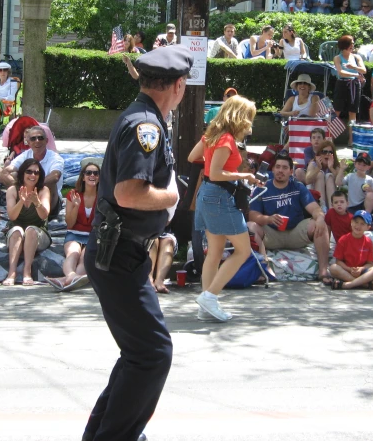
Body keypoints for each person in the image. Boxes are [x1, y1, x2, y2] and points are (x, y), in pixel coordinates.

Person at [82, 45, 190, 441]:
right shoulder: (147, 126)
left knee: (139, 354)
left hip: (122, 253)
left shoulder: (143, 118)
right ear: (178, 86)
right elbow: (129, 193)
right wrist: (171, 197)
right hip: (120, 254)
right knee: (152, 354)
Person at [189, 94, 262, 321]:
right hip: (219, 197)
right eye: (249, 117)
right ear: (240, 116)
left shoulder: (211, 135)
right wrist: (244, 174)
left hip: (209, 195)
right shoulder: (226, 139)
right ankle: (209, 297)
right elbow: (217, 172)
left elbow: (193, 157)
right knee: (243, 250)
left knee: (215, 252)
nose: (250, 122)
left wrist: (213, 163)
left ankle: (206, 306)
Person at [248, 154, 331, 284]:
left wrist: (320, 218)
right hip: (271, 234)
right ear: (273, 170)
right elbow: (252, 214)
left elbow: (315, 209)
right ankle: (263, 269)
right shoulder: (262, 187)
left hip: (295, 232)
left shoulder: (298, 187)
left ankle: (323, 271)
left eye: (285, 168)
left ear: (291, 172)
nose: (281, 170)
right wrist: (268, 219)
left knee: (320, 224)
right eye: (278, 167)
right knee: (250, 226)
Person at [49, 161, 99, 291]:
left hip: (93, 235)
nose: (92, 175)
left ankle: (66, 279)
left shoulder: (103, 197)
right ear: (83, 177)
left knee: (85, 257)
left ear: (100, 177)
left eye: (96, 173)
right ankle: (72, 276)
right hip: (75, 232)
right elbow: (70, 224)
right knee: (73, 253)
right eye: (88, 173)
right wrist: (76, 206)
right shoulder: (73, 194)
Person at [2, 158, 51, 286]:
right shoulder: (13, 190)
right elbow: (12, 216)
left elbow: (44, 215)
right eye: (29, 172)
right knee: (17, 230)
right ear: (22, 173)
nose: (32, 175)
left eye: (36, 172)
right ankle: (11, 273)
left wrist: (37, 202)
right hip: (16, 231)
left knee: (31, 230)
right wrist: (21, 201)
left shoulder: (43, 190)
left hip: (37, 232)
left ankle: (27, 272)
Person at [1, 126, 64, 219]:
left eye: (40, 138)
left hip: (50, 199)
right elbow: (8, 170)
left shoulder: (55, 158)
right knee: (12, 175)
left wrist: (33, 186)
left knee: (50, 184)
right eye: (33, 138)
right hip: (27, 195)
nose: (37, 141)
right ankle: (20, 208)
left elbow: (55, 176)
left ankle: (45, 215)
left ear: (46, 141)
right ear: (28, 142)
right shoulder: (25, 154)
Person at [329, 210, 373, 290]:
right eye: (356, 222)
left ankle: (348, 285)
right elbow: (338, 261)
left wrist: (361, 269)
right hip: (347, 270)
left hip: (362, 272)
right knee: (333, 268)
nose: (358, 226)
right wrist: (350, 269)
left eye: (362, 224)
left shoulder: (368, 242)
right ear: (351, 222)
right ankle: (364, 284)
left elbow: (370, 263)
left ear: (368, 227)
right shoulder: (343, 239)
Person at [332, 35, 366, 146]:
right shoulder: (337, 58)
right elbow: (340, 72)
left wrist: (354, 67)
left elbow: (363, 70)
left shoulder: (356, 57)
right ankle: (330, 137)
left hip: (354, 85)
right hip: (341, 83)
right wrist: (356, 74)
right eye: (350, 43)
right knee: (337, 110)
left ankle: (351, 139)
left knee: (353, 112)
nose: (352, 45)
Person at [305, 138, 341, 210]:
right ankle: (322, 208)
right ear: (319, 154)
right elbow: (307, 180)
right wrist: (318, 168)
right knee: (320, 174)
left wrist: (331, 168)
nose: (327, 154)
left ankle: (332, 209)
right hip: (314, 198)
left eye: (330, 152)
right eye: (324, 152)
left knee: (329, 176)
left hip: (331, 198)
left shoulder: (335, 165)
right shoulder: (313, 164)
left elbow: (340, 183)